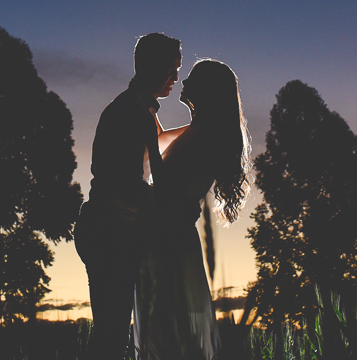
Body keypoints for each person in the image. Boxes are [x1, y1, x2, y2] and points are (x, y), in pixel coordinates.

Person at [134, 59, 252, 360]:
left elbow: (163, 187)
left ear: (207, 90)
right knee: (166, 328)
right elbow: (159, 140)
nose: (184, 81)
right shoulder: (197, 130)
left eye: (193, 78)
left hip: (169, 240)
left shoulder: (206, 137)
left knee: (169, 328)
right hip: (166, 236)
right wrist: (148, 107)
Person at [76, 33, 182, 360]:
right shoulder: (132, 112)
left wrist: (198, 128)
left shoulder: (136, 106)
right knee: (112, 335)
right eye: (171, 69)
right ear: (152, 67)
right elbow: (131, 182)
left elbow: (160, 138)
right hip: (109, 233)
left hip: (106, 228)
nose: (176, 78)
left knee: (112, 332)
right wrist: (173, 209)